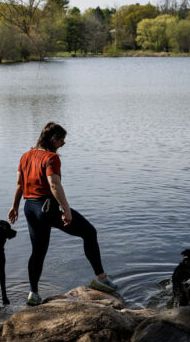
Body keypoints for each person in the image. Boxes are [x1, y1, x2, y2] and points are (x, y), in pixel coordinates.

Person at [8, 122, 117, 306]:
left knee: (38, 252)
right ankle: (101, 278)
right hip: (48, 207)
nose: (62, 144)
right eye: (61, 141)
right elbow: (54, 185)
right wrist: (65, 209)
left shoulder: (26, 156)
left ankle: (33, 293)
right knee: (89, 232)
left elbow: (20, 183)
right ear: (53, 139)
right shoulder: (51, 158)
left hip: (30, 208)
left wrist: (14, 206)